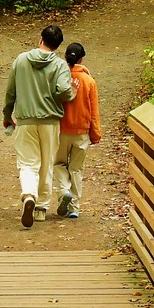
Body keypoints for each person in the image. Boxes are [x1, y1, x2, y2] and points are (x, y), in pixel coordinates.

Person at [3, 24, 74, 227]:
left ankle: (29, 196)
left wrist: (7, 115)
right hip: (50, 122)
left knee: (28, 164)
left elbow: (11, 92)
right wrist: (72, 93)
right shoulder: (60, 65)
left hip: (25, 121)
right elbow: (63, 90)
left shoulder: (21, 60)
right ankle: (41, 208)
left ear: (40, 39)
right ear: (58, 46)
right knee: (46, 163)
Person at [55, 41, 101, 218]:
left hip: (60, 129)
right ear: (82, 59)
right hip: (81, 131)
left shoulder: (59, 77)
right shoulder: (89, 81)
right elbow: (94, 111)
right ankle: (74, 207)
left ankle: (64, 191)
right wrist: (95, 133)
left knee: (59, 164)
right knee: (76, 169)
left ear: (65, 57)